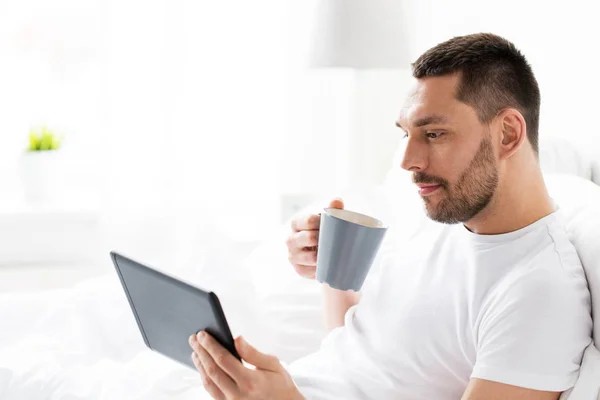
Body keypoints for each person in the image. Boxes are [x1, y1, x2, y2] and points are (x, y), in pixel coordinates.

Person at [188, 33, 592, 400]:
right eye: (406, 133)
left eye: (433, 134)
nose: (407, 161)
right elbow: (365, 355)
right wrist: (330, 269)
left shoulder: (539, 292)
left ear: (507, 134)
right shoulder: (441, 220)